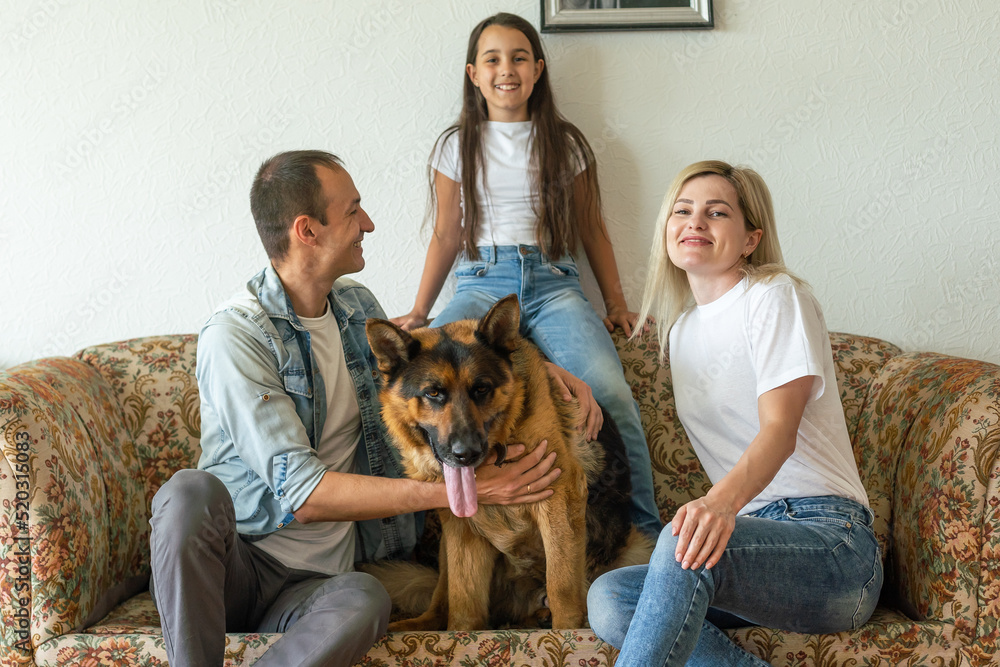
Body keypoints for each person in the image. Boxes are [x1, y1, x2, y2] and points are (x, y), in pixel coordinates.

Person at [147, 150, 566, 667]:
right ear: (308, 230)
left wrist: (541, 367)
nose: (368, 223)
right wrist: (460, 491)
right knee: (188, 492)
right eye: (353, 211)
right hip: (240, 566)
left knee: (366, 600)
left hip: (321, 585)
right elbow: (303, 493)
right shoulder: (237, 335)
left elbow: (437, 360)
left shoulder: (356, 308)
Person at [587, 161, 883, 665]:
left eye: (716, 212)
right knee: (612, 598)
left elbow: (779, 431)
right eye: (683, 210)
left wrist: (718, 506)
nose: (695, 222)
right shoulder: (680, 333)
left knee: (684, 545)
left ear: (750, 239)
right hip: (748, 556)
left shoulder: (774, 297)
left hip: (832, 547)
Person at [391, 12, 661, 539]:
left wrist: (616, 304)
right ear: (474, 73)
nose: (506, 69)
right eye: (492, 59)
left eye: (518, 58)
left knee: (612, 393)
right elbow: (446, 234)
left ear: (538, 69)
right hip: (479, 282)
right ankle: (409, 540)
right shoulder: (455, 145)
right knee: (411, 381)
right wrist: (421, 312)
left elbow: (592, 229)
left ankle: (647, 536)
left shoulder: (567, 141)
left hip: (554, 284)